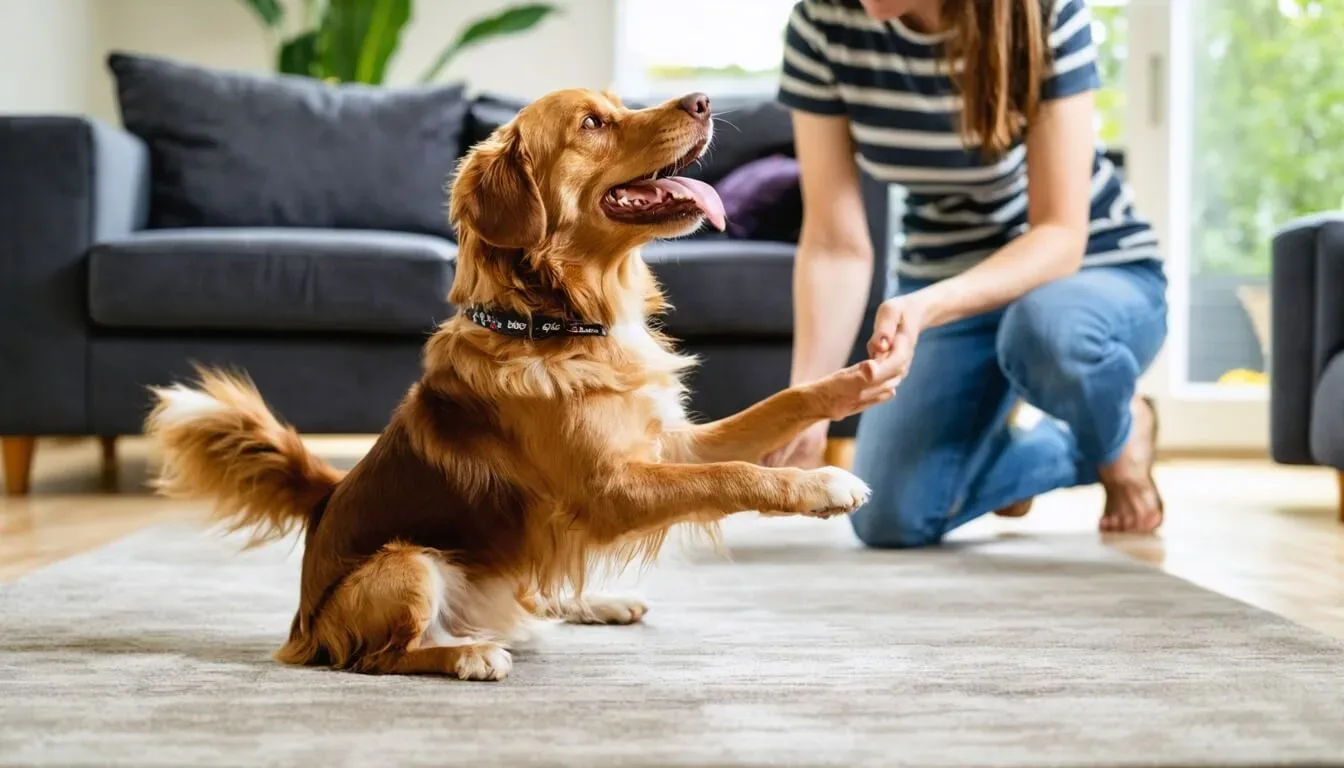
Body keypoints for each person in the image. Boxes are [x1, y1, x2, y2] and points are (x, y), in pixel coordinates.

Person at [764, 0, 1169, 547]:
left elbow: (1059, 236)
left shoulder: (1047, 13)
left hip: (1090, 271)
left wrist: (927, 307)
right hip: (942, 273)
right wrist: (806, 406)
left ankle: (1121, 435)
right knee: (890, 519)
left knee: (1045, 331)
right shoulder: (823, 22)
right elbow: (836, 245)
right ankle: (1065, 447)